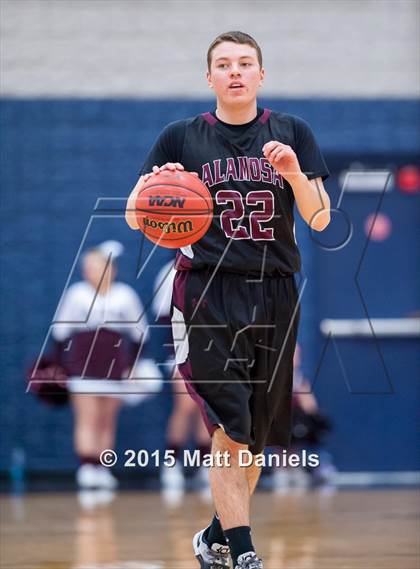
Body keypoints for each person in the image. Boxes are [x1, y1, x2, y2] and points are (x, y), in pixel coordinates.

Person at [126, 31, 330, 569]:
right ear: (209, 77)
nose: (234, 72)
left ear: (261, 75)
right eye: (223, 64)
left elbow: (319, 217)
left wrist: (292, 175)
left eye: (245, 63)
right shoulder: (181, 137)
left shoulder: (292, 132)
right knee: (228, 428)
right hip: (208, 292)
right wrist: (157, 190)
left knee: (255, 438)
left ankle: (215, 534)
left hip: (277, 292)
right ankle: (243, 553)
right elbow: (133, 214)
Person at [52, 242, 149, 491]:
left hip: (114, 366)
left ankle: (102, 467)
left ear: (112, 269)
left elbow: (140, 334)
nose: (94, 272)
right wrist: (60, 366)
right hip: (83, 366)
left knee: (106, 419)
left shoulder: (125, 295)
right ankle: (87, 467)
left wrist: (131, 366)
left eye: (100, 267)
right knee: (87, 418)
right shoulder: (77, 294)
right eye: (90, 268)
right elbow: (61, 332)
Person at [153, 260, 211, 498]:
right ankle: (172, 463)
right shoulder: (171, 272)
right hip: (182, 353)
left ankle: (205, 464)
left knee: (207, 409)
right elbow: (164, 317)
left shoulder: (216, 266)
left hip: (212, 352)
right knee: (185, 405)